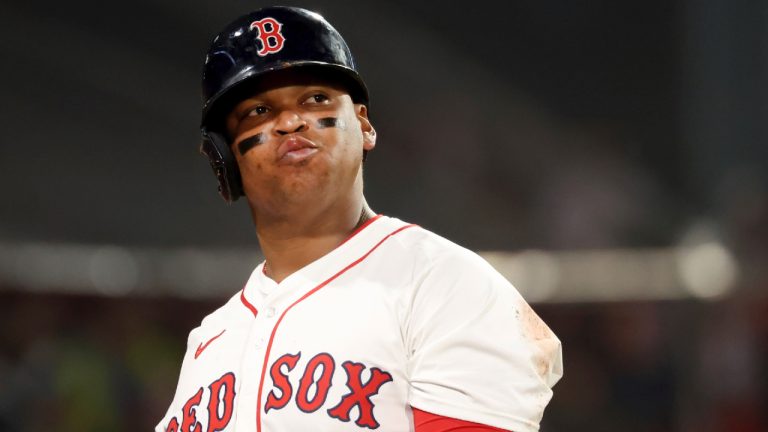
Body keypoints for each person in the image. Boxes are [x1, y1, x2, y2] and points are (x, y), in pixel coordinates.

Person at [157, 6, 562, 432]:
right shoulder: (210, 342)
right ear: (224, 157)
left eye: (315, 99)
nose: (290, 122)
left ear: (364, 125)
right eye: (258, 111)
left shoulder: (444, 284)